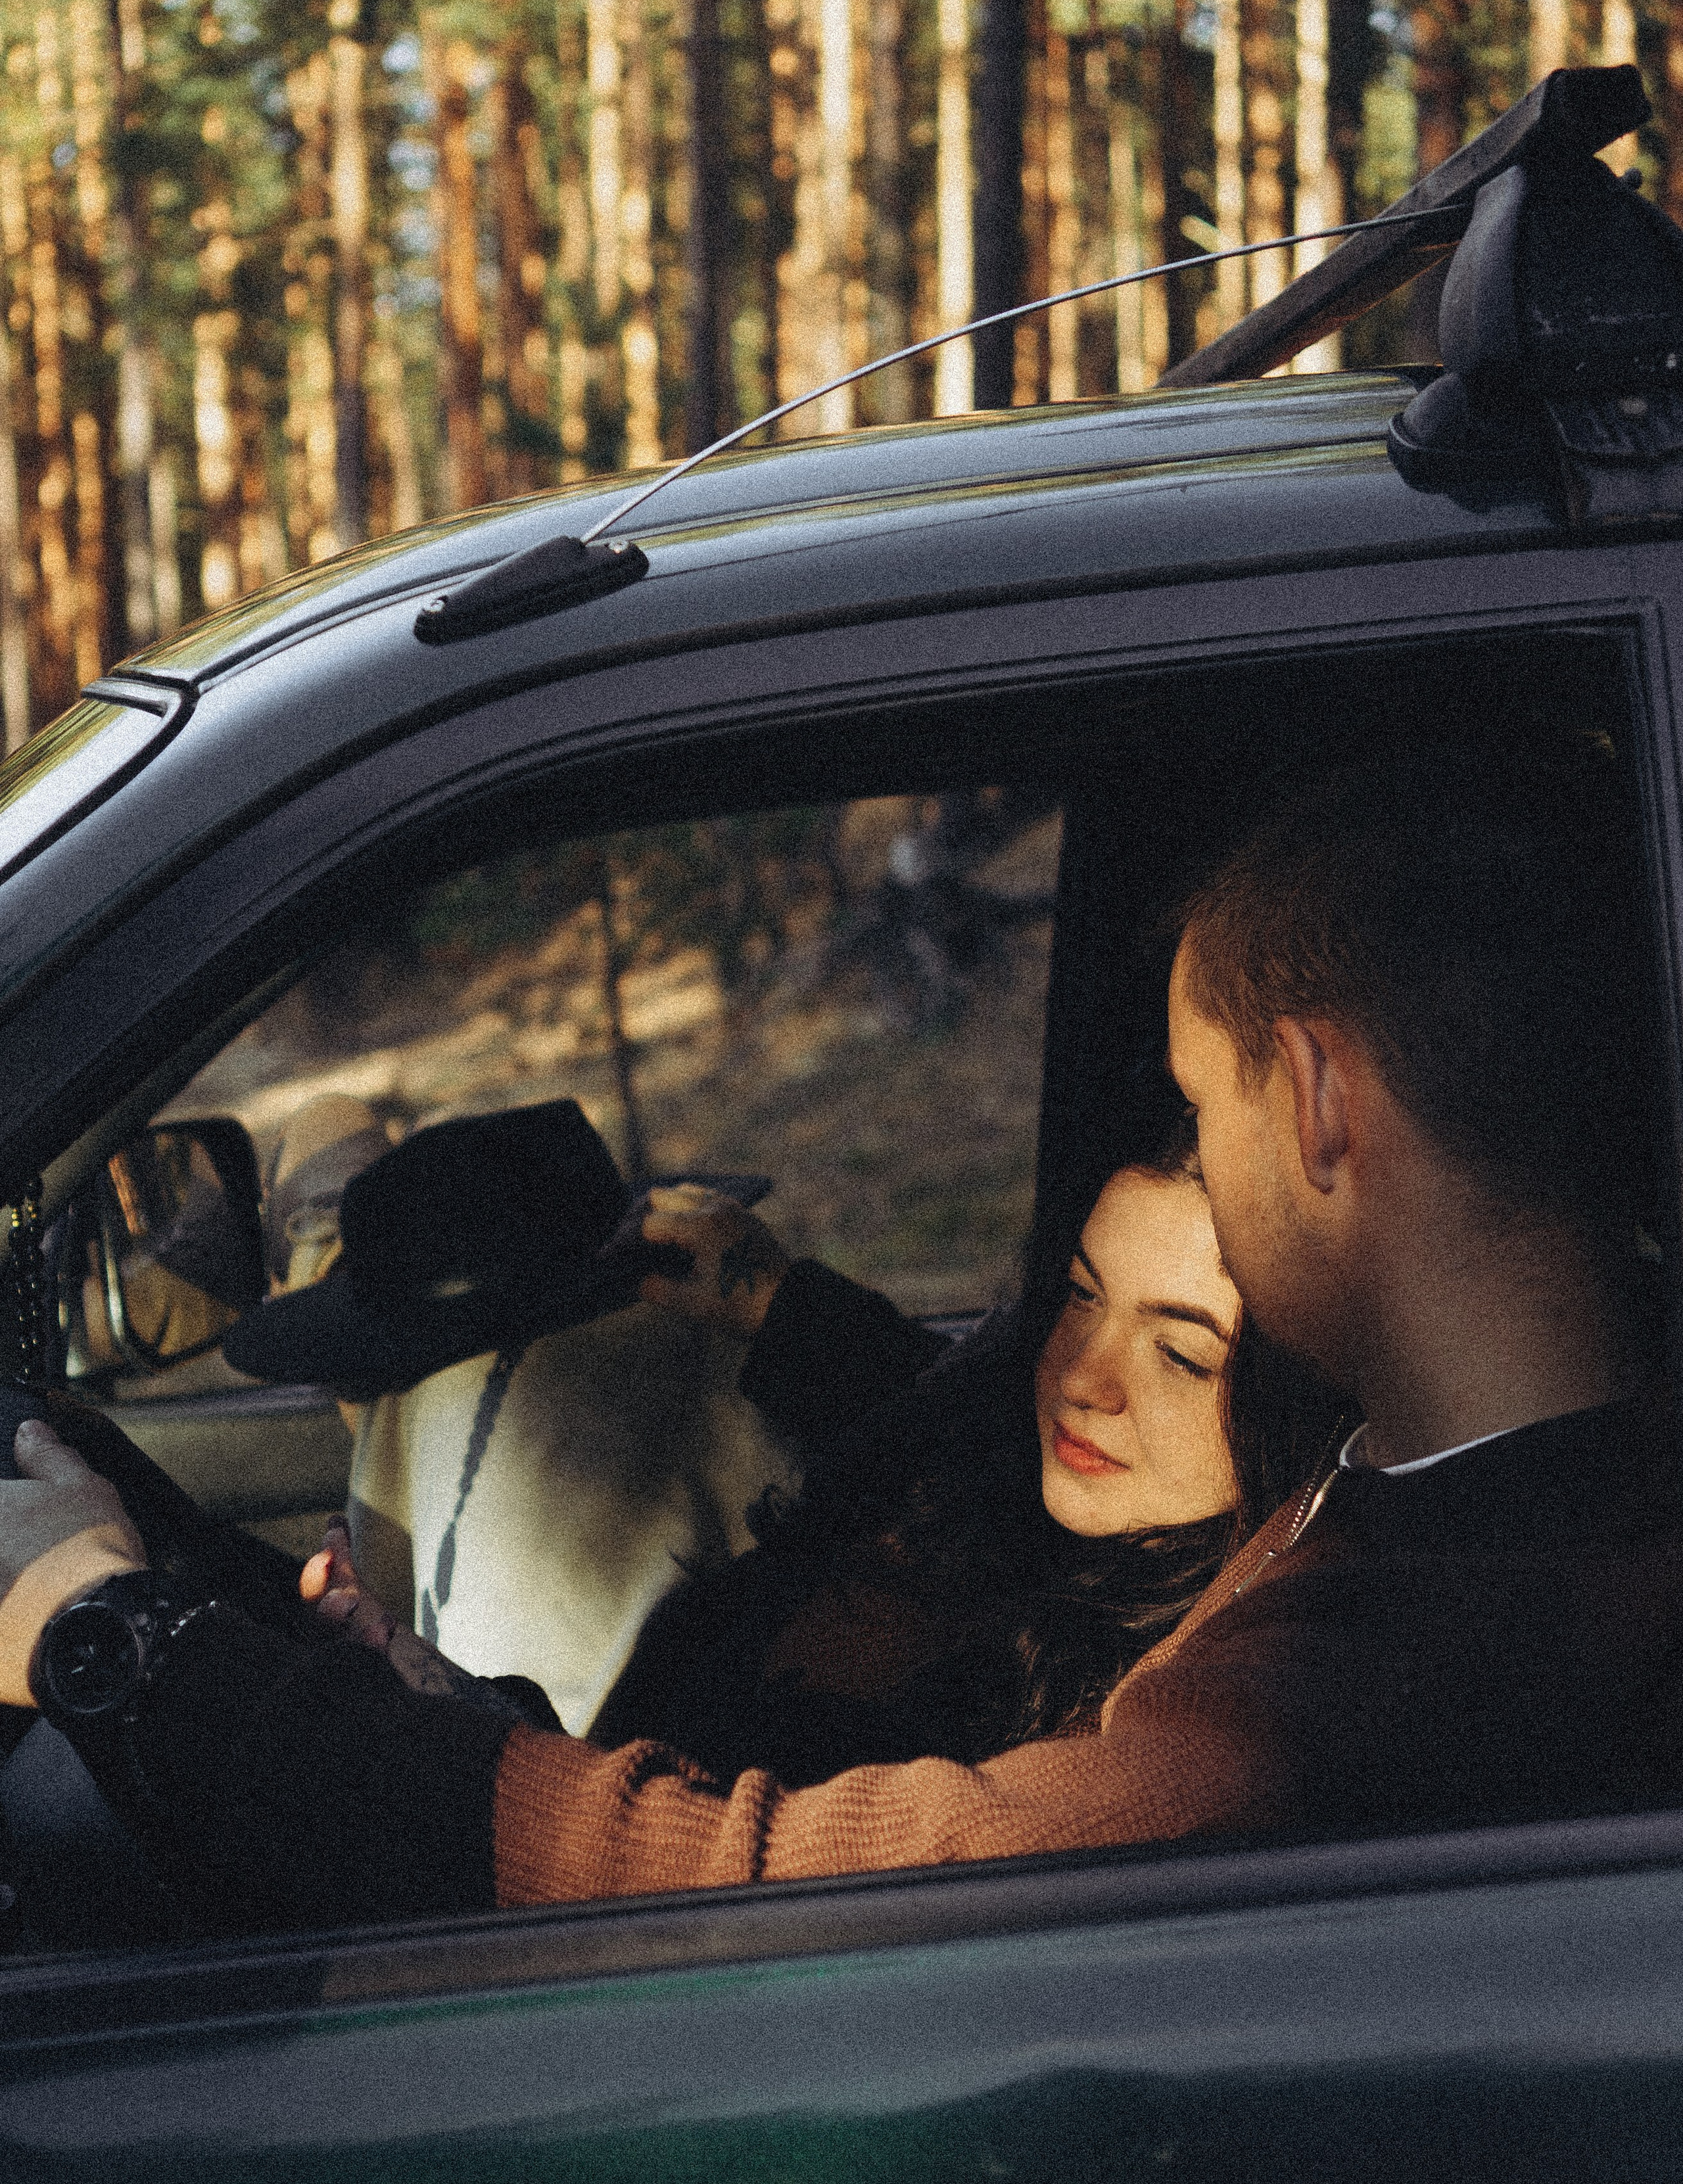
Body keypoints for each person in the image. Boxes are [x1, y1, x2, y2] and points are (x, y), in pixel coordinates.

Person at [2, 729, 1680, 1931]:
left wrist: (130, 1651)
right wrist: (443, 1724)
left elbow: (794, 1889)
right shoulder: (1433, 1494)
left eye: (1195, 1099)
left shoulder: (1410, 1655)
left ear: (1316, 1097)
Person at [597, 1127, 1341, 1783]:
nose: (1082, 1379)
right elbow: (942, 1387)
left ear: (1300, 1405)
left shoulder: (1171, 1711)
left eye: (1180, 1356)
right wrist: (777, 1300)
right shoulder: (994, 1460)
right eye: (1083, 1296)